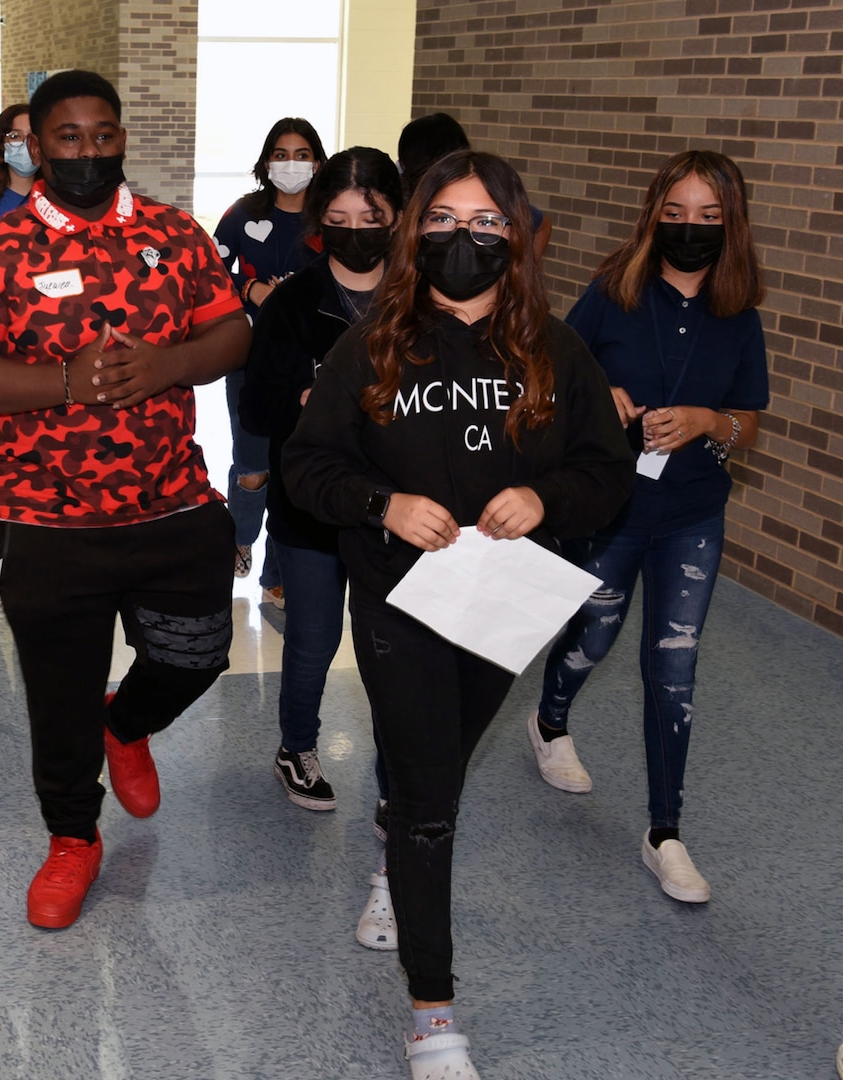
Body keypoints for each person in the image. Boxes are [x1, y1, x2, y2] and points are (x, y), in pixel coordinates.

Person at [283, 149, 634, 1079]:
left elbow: (606, 473)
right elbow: (307, 466)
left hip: (500, 607)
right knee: (436, 796)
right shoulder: (373, 345)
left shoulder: (557, 352)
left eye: (485, 224)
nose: (463, 240)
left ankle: (394, 842)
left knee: (432, 766)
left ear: (516, 239)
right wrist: (381, 504)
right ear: (414, 234)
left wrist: (547, 498)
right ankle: (433, 1014)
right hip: (400, 601)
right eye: (442, 221)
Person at [0, 69, 251, 930]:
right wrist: (63, 381)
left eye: (102, 134)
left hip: (172, 499)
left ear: (120, 137)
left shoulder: (174, 234)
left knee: (198, 653)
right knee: (58, 695)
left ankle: (129, 722)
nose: (87, 151)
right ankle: (73, 839)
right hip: (44, 516)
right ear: (34, 144)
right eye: (67, 138)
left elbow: (232, 330)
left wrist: (169, 364)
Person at [529, 150, 768, 903]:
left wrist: (707, 421)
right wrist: (604, 390)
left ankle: (665, 832)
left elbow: (748, 422)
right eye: (675, 214)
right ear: (653, 217)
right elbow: (553, 374)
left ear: (729, 225)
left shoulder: (739, 315)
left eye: (707, 216)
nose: (690, 229)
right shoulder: (612, 295)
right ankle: (550, 718)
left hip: (693, 512)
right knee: (595, 635)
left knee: (673, 667)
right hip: (613, 506)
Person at [239, 145, 404, 948]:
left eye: (369, 219)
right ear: (317, 223)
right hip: (311, 501)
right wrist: (308, 397)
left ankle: (394, 782)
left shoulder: (420, 300)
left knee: (390, 647)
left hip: (396, 510)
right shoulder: (295, 300)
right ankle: (296, 747)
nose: (354, 232)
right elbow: (260, 397)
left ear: (396, 220)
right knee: (313, 638)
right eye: (338, 220)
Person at [214, 118, 328, 605]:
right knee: (253, 463)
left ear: (318, 162)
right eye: (281, 154)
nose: (291, 164)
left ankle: (276, 575)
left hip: (308, 362)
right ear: (265, 163)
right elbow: (210, 268)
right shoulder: (243, 214)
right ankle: (239, 538)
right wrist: (249, 287)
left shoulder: (328, 221)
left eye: (302, 154)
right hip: (251, 358)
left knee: (292, 467)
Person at [398, 112, 553, 260]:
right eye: (442, 219)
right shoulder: (403, 200)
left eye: (484, 222)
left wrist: (519, 273)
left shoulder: (490, 196)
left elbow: (541, 226)